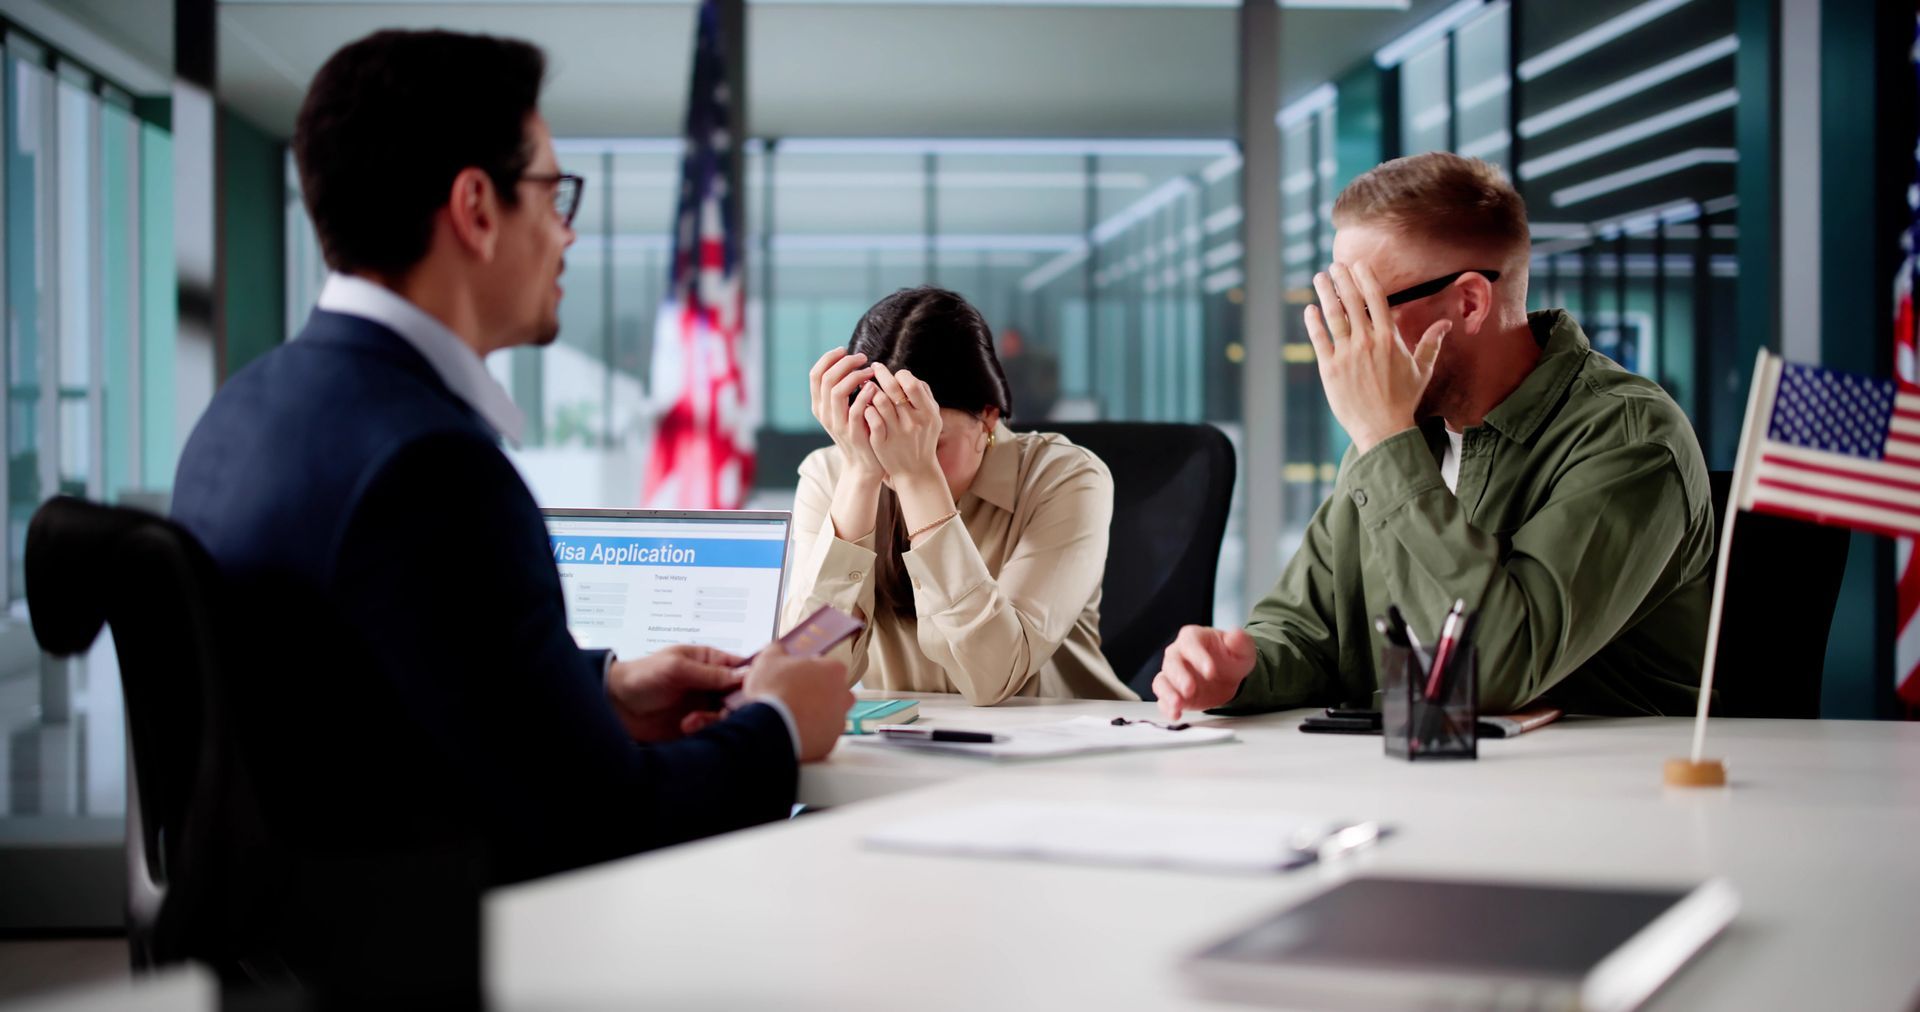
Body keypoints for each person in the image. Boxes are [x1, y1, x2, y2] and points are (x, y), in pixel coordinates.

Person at [170, 29, 852, 891]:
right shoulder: (432, 470)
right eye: (550, 194)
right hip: (436, 950)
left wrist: (603, 688)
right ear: (477, 209)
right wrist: (781, 726)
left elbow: (372, 684)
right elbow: (604, 826)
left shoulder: (246, 409)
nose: (566, 236)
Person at [1154, 152, 1712, 720]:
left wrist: (1384, 438)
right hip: (1416, 779)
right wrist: (1241, 670)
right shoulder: (1398, 433)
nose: (1347, 337)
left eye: (1366, 306)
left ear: (1469, 303)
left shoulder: (1630, 437)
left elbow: (1490, 674)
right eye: (1338, 306)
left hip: (1596, 792)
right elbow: (1309, 632)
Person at [784, 286, 1135, 704]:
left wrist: (920, 480)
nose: (894, 462)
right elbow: (805, 669)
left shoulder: (1065, 477)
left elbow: (993, 677)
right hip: (911, 746)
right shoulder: (832, 473)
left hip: (1069, 745)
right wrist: (860, 473)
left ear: (987, 416)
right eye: (877, 434)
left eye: (929, 440)